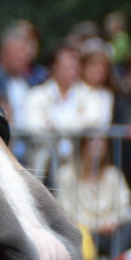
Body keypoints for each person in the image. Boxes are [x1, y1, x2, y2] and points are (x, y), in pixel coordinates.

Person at [23, 42, 113, 179]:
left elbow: (93, 123)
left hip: (77, 168)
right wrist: (77, 122)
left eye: (75, 63)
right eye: (67, 64)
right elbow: (33, 129)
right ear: (54, 67)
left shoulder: (91, 95)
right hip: (44, 168)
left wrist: (54, 125)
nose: (73, 68)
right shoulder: (36, 95)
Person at [56, 134, 131, 260]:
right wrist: (98, 224)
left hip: (111, 234)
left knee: (128, 228)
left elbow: (124, 206)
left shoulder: (113, 175)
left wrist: (112, 220)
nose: (97, 144)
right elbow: (66, 212)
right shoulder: (66, 175)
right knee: (82, 235)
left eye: (101, 140)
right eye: (92, 139)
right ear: (82, 144)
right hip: (83, 233)